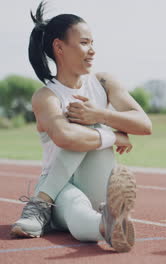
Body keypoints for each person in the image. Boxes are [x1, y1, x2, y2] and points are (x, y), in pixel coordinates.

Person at [10, 1, 152, 252]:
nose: (92, 50)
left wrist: (99, 114)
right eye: (85, 43)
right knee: (75, 207)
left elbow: (144, 124)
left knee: (87, 121)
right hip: (61, 190)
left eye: (93, 43)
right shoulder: (46, 97)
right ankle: (105, 225)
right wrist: (114, 136)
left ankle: (42, 203)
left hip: (98, 181)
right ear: (59, 47)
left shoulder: (104, 83)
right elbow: (65, 138)